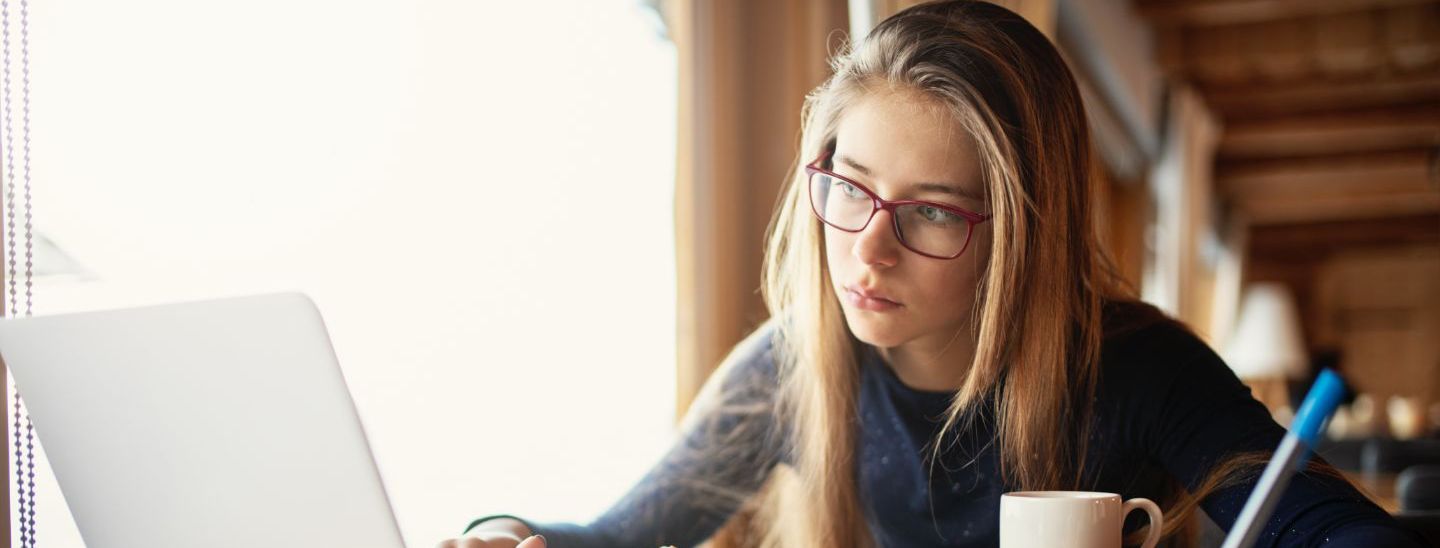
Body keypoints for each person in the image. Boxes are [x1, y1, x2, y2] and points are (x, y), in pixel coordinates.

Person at [437, 1, 1427, 546]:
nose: (867, 247)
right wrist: (509, 530)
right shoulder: (790, 366)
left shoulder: (1135, 367)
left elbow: (1330, 527)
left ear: (1021, 236)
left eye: (933, 214)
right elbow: (615, 537)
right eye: (850, 187)